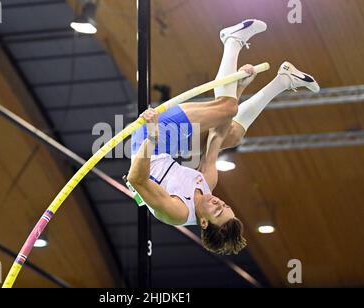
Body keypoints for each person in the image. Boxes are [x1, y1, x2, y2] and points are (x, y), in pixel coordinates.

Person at [127, 19, 320, 255]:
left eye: (218, 210)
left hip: (150, 140)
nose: (219, 202)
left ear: (205, 223)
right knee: (233, 135)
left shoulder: (176, 212)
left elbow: (136, 179)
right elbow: (218, 135)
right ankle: (283, 80)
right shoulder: (208, 184)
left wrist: (153, 139)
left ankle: (232, 40)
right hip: (170, 145)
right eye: (225, 205)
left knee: (226, 108)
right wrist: (239, 87)